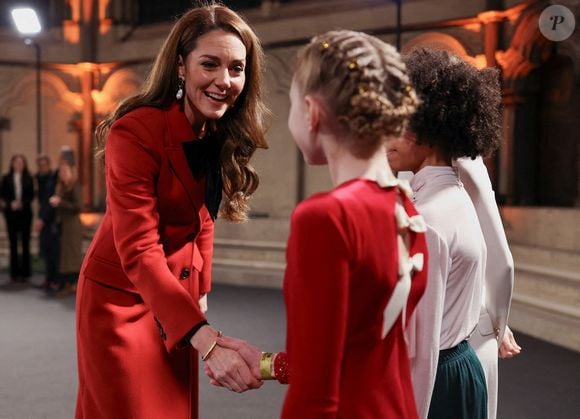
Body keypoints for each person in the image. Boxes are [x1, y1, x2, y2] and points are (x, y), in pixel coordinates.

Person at [211, 30, 429, 418]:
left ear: (312, 113)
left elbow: (315, 398)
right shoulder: (406, 207)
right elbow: (365, 348)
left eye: (292, 104)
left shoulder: (327, 217)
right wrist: (271, 364)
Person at [75, 4, 268, 419]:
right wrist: (206, 338)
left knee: (172, 410)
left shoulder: (215, 130)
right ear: (181, 66)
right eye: (210, 65)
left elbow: (203, 220)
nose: (225, 81)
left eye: (237, 68)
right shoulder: (136, 131)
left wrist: (199, 293)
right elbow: (139, 249)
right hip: (120, 301)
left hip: (176, 297)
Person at [386, 47, 511, 419]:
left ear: (427, 128)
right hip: (461, 367)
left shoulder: (429, 219)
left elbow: (422, 349)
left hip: (435, 381)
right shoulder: (457, 198)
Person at [49, 159, 83, 294]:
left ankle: (74, 283)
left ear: (71, 172)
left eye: (65, 171)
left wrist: (60, 202)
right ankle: (68, 283)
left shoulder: (75, 186)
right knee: (65, 255)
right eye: (61, 172)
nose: (62, 174)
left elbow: (78, 206)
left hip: (72, 225)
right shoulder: (62, 186)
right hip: (64, 224)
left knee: (72, 254)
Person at [1, 154, 34, 282]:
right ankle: (14, 273)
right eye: (16, 162)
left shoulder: (29, 178)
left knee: (25, 243)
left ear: (24, 164)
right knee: (13, 243)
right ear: (12, 164)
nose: (19, 164)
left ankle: (25, 273)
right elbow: (2, 194)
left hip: (25, 213)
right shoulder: (6, 178)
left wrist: (22, 203)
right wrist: (11, 204)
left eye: (21, 162)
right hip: (11, 214)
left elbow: (31, 195)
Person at [35, 154, 59, 289]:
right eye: (40, 165)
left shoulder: (53, 178)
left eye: (44, 165)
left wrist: (42, 219)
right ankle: (48, 279)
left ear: (49, 165)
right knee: (45, 250)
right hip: (44, 218)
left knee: (52, 251)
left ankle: (54, 279)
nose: (42, 167)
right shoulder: (39, 178)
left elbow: (48, 202)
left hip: (50, 220)